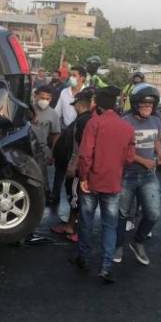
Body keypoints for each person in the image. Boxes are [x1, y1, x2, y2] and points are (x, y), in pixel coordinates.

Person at [72, 85, 135, 284]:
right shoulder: (127, 127)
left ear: (98, 105)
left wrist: (83, 178)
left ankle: (83, 258)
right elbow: (130, 158)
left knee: (86, 221)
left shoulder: (94, 123)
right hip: (113, 183)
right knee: (110, 225)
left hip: (91, 182)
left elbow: (84, 155)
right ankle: (106, 267)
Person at [114, 84, 161, 266]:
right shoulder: (125, 121)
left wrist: (159, 153)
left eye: (150, 106)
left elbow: (157, 139)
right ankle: (118, 245)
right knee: (121, 214)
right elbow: (120, 150)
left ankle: (138, 241)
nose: (147, 109)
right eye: (144, 105)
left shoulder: (156, 120)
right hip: (127, 175)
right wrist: (143, 161)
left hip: (148, 176)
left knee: (153, 213)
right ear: (135, 104)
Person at [50, 88, 94, 239]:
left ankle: (76, 229)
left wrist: (74, 166)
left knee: (77, 198)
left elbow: (81, 147)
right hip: (71, 165)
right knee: (73, 196)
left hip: (76, 169)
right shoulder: (81, 119)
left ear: (79, 104)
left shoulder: (84, 121)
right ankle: (70, 226)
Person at [31, 85, 61, 199]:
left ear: (51, 99)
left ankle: (42, 197)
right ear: (36, 96)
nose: (44, 101)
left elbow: (56, 134)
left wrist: (52, 152)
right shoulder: (28, 110)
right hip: (26, 148)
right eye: (42, 98)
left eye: (47, 99)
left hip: (42, 150)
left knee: (41, 176)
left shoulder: (53, 114)